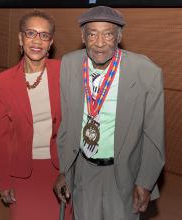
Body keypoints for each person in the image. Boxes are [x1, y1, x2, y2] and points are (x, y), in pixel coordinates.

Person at [54, 6, 165, 220]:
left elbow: (153, 134)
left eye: (108, 34)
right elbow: (67, 124)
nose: (100, 42)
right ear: (83, 36)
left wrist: (145, 181)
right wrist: (64, 170)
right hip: (84, 168)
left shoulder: (146, 72)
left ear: (119, 36)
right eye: (92, 34)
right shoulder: (70, 63)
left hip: (124, 172)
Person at [0, 11, 72, 220]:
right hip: (22, 172)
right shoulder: (3, 81)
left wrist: (71, 171)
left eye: (44, 35)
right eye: (30, 33)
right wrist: (4, 182)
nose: (37, 40)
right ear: (20, 38)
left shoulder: (65, 72)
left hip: (60, 171)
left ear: (51, 42)